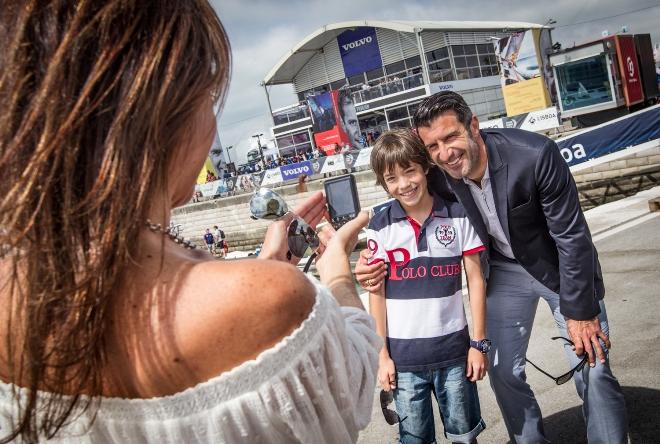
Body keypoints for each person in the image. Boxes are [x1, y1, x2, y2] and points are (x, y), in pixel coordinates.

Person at [0, 2, 380, 442]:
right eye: (207, 98)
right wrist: (336, 274)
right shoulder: (274, 299)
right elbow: (350, 388)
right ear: (162, 115)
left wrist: (262, 264)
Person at [356, 91, 628, 443]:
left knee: (593, 363)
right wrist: (368, 260)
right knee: (501, 368)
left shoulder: (534, 155)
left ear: (473, 125)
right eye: (433, 146)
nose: (445, 153)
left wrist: (581, 310)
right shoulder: (438, 173)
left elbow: (573, 239)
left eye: (451, 137)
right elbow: (403, 202)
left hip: (559, 268)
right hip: (504, 270)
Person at [368, 130, 488, 444]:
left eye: (410, 171)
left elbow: (476, 280)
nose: (404, 184)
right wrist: (382, 357)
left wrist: (478, 344)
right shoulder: (380, 227)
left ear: (424, 168)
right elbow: (376, 295)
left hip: (455, 355)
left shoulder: (458, 215)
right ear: (384, 184)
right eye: (392, 178)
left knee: (465, 437)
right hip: (403, 362)